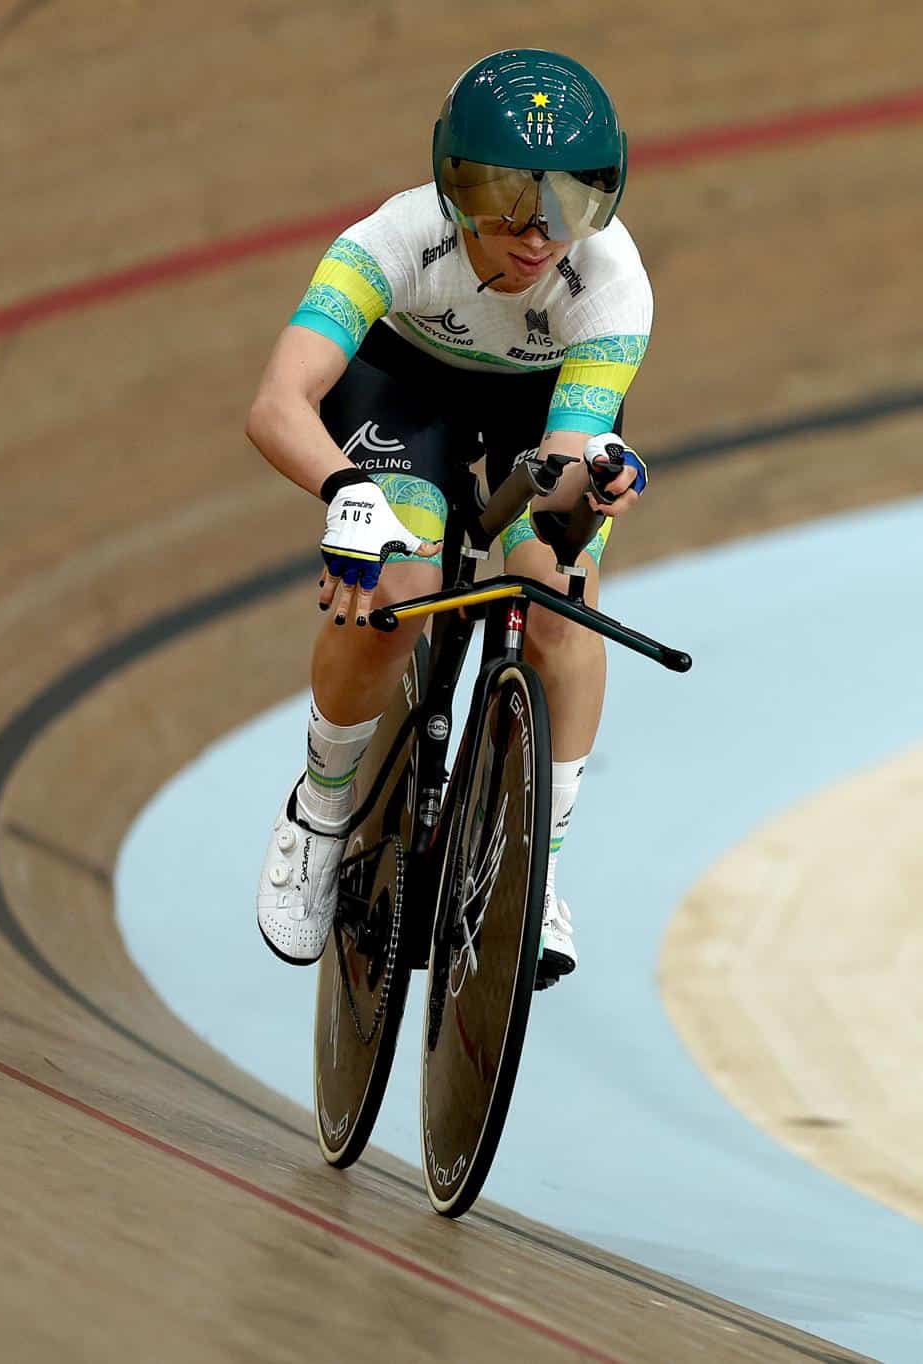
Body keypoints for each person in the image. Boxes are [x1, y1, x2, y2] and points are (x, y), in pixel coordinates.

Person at [244, 48, 650, 988]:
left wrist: (589, 492)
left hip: (537, 405)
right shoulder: (392, 241)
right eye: (507, 200)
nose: (539, 233)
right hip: (404, 385)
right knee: (400, 582)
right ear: (453, 185)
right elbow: (278, 405)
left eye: (571, 202)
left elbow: (562, 459)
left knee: (558, 596)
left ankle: (537, 866)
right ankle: (321, 806)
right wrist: (347, 494)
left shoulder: (612, 283)